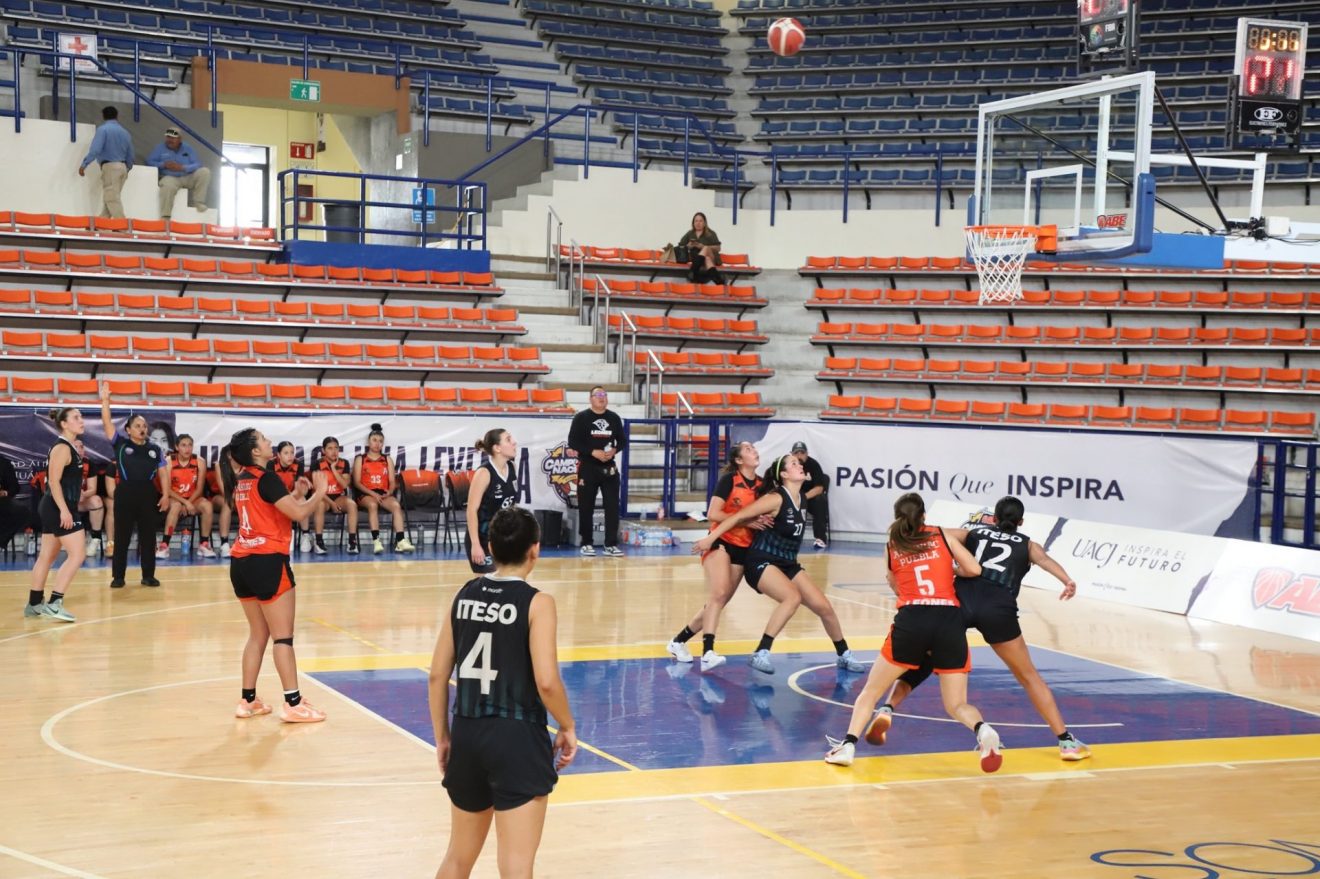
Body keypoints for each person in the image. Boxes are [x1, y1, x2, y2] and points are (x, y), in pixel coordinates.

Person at [870, 496, 1091, 762]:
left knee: (925, 659)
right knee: (1029, 677)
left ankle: (888, 707)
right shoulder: (1028, 545)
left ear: (993, 519)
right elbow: (1045, 561)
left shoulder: (973, 533)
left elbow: (932, 534)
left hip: (960, 602)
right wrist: (1067, 580)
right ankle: (1066, 742)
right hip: (998, 610)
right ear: (1021, 522)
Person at [428, 506, 577, 879]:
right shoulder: (538, 602)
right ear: (535, 550)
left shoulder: (465, 594)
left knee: (457, 859)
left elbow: (437, 676)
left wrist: (443, 738)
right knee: (515, 867)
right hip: (517, 737)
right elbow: (547, 681)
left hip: (468, 732)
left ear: (491, 547)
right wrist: (567, 725)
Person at [823, 492, 1003, 773]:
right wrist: (949, 571)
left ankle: (848, 746)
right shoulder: (941, 535)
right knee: (956, 704)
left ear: (897, 517)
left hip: (913, 619)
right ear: (924, 517)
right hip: (948, 621)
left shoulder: (892, 545)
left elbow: (895, 585)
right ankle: (983, 730)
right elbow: (974, 569)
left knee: (870, 692)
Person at [691, 454, 866, 675]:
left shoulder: (802, 498)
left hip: (787, 562)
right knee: (792, 597)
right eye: (793, 464)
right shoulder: (775, 498)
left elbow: (818, 489)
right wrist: (710, 538)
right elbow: (736, 517)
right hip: (761, 560)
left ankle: (844, 654)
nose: (799, 465)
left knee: (824, 607)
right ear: (784, 474)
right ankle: (761, 652)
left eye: (799, 463)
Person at [220, 428, 329, 722]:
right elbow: (298, 514)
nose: (270, 442)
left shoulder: (242, 479)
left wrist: (297, 495)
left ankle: (248, 701)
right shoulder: (266, 478)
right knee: (283, 638)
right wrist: (320, 492)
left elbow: (272, 509)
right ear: (256, 451)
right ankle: (293, 703)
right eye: (264, 439)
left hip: (241, 563)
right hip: (267, 562)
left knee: (257, 634)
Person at [667, 441, 771, 672]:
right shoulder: (729, 480)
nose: (754, 451)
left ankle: (678, 641)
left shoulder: (762, 485)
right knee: (719, 593)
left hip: (745, 548)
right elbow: (713, 513)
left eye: (754, 448)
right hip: (721, 541)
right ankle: (708, 652)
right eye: (748, 449)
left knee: (718, 601)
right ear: (739, 460)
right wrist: (746, 521)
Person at [99, 383, 171, 588]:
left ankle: (148, 575)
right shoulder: (121, 444)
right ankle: (118, 576)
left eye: (144, 426)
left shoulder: (155, 449)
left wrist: (166, 495)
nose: (142, 429)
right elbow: (106, 423)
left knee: (148, 537)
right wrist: (105, 401)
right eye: (138, 426)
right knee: (122, 536)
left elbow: (163, 473)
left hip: (148, 493)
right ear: (128, 430)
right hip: (125, 492)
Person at [25, 408, 89, 622]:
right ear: (64, 424)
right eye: (76, 417)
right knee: (77, 555)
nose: (81, 420)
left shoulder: (70, 446)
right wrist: (64, 510)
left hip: (54, 506)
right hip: (57, 507)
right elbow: (53, 481)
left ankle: (34, 604)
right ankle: (54, 603)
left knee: (47, 557)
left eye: (81, 417)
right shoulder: (62, 448)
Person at [568, 387, 627, 557]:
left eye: (604, 395)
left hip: (609, 469)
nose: (602, 397)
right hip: (588, 467)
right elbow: (573, 441)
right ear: (590, 399)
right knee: (586, 507)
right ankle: (586, 543)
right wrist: (592, 452)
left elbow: (622, 441)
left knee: (612, 507)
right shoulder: (581, 417)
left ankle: (611, 544)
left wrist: (614, 450)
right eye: (598, 395)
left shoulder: (614, 418)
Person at [352, 424, 414, 555]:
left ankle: (400, 541)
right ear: (369, 442)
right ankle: (376, 541)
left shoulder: (387, 459)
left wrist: (389, 491)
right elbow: (356, 482)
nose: (377, 444)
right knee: (373, 505)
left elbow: (392, 481)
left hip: (383, 493)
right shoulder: (360, 459)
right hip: (366, 493)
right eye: (374, 440)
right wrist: (372, 493)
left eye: (380, 441)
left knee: (396, 506)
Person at [465, 429, 520, 575]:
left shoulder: (512, 467)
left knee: (509, 582)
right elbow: (471, 510)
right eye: (508, 439)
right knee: (486, 584)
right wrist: (475, 545)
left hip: (502, 538)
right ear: (497, 448)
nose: (514, 442)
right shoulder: (484, 473)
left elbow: (511, 506)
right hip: (483, 538)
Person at [159, 434, 215, 559]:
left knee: (207, 505)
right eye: (183, 445)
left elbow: (199, 489)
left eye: (190, 445)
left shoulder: (200, 462)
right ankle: (164, 545)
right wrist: (185, 503)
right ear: (176, 447)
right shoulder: (168, 461)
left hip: (193, 498)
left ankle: (204, 544)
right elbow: (167, 489)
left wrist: (189, 502)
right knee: (176, 506)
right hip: (174, 498)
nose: (187, 449)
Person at [77, 106, 133, 220]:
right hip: (123, 167)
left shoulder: (103, 130)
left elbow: (95, 150)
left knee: (111, 198)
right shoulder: (125, 132)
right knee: (111, 197)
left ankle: (122, 224)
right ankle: (101, 224)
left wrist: (84, 164)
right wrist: (127, 168)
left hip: (110, 167)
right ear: (117, 116)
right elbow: (130, 154)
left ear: (103, 116)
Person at [146, 126, 211, 219]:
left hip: (187, 176)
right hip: (170, 177)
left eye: (173, 138)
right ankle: (165, 216)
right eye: (168, 137)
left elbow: (197, 164)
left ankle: (198, 202)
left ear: (180, 139)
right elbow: (149, 161)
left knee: (205, 172)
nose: (169, 140)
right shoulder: (159, 148)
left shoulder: (188, 148)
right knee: (167, 185)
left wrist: (183, 167)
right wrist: (164, 165)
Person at [312, 436, 358, 555]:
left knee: (352, 504)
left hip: (338, 497)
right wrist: (332, 504)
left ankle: (352, 542)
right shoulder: (317, 464)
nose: (334, 451)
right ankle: (319, 542)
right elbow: (317, 490)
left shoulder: (344, 463)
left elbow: (344, 485)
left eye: (336, 448)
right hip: (323, 497)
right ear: (323, 450)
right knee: (319, 505)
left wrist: (333, 469)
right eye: (330, 448)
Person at [269, 441, 311, 553]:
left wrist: (294, 494)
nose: (290, 456)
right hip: (275, 496)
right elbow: (271, 488)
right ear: (278, 455)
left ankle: (306, 535)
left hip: (292, 496)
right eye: (286, 453)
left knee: (302, 500)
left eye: (292, 452)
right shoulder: (270, 464)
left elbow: (298, 489)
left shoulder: (298, 464)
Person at [790, 441, 830, 549]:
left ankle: (820, 538)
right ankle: (783, 538)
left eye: (802, 453)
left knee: (820, 500)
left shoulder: (814, 465)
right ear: (791, 454)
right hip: (791, 498)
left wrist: (802, 498)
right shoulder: (787, 466)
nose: (799, 456)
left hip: (808, 498)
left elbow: (819, 488)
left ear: (807, 454)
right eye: (796, 453)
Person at [72, 439, 106, 557]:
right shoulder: (62, 463)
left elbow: (92, 489)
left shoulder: (88, 464)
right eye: (75, 447)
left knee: (96, 501)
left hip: (81, 500)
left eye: (81, 447)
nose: (79, 450)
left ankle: (95, 539)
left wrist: (84, 494)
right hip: (66, 501)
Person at [0, 450, 36, 554]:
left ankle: (1, 541)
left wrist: (5, 492)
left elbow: (14, 487)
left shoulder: (4, 463)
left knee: (23, 511)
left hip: (2, 501)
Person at [676, 211, 722, 285]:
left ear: (704, 223)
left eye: (700, 221)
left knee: (706, 248)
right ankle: (720, 283)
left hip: (712, 257)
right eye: (696, 221)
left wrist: (702, 246)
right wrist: (688, 246)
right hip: (700, 259)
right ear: (693, 223)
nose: (698, 223)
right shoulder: (690, 233)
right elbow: (681, 246)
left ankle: (693, 271)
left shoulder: (710, 233)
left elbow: (718, 248)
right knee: (707, 259)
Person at [206, 457, 234, 558]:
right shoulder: (219, 465)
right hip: (218, 497)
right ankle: (224, 543)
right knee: (228, 502)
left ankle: (244, 540)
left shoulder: (246, 465)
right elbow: (224, 492)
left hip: (240, 498)